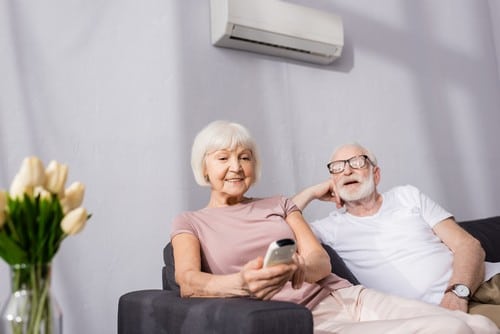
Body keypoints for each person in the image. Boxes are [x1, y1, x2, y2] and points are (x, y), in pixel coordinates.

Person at [170, 121, 498, 333]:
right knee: (451, 330)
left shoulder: (278, 205)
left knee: (478, 324)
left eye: (244, 157)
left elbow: (319, 260)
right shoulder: (191, 222)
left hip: (350, 296)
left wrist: (297, 266)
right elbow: (188, 281)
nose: (236, 167)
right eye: (223, 158)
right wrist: (242, 282)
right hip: (307, 317)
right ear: (204, 166)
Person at [293, 142, 500, 328]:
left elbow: (468, 245)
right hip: (439, 313)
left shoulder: (407, 196)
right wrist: (310, 193)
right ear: (332, 181)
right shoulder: (328, 228)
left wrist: (457, 293)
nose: (347, 170)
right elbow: (276, 226)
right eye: (337, 167)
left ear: (376, 174)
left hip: (483, 282)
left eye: (356, 162)